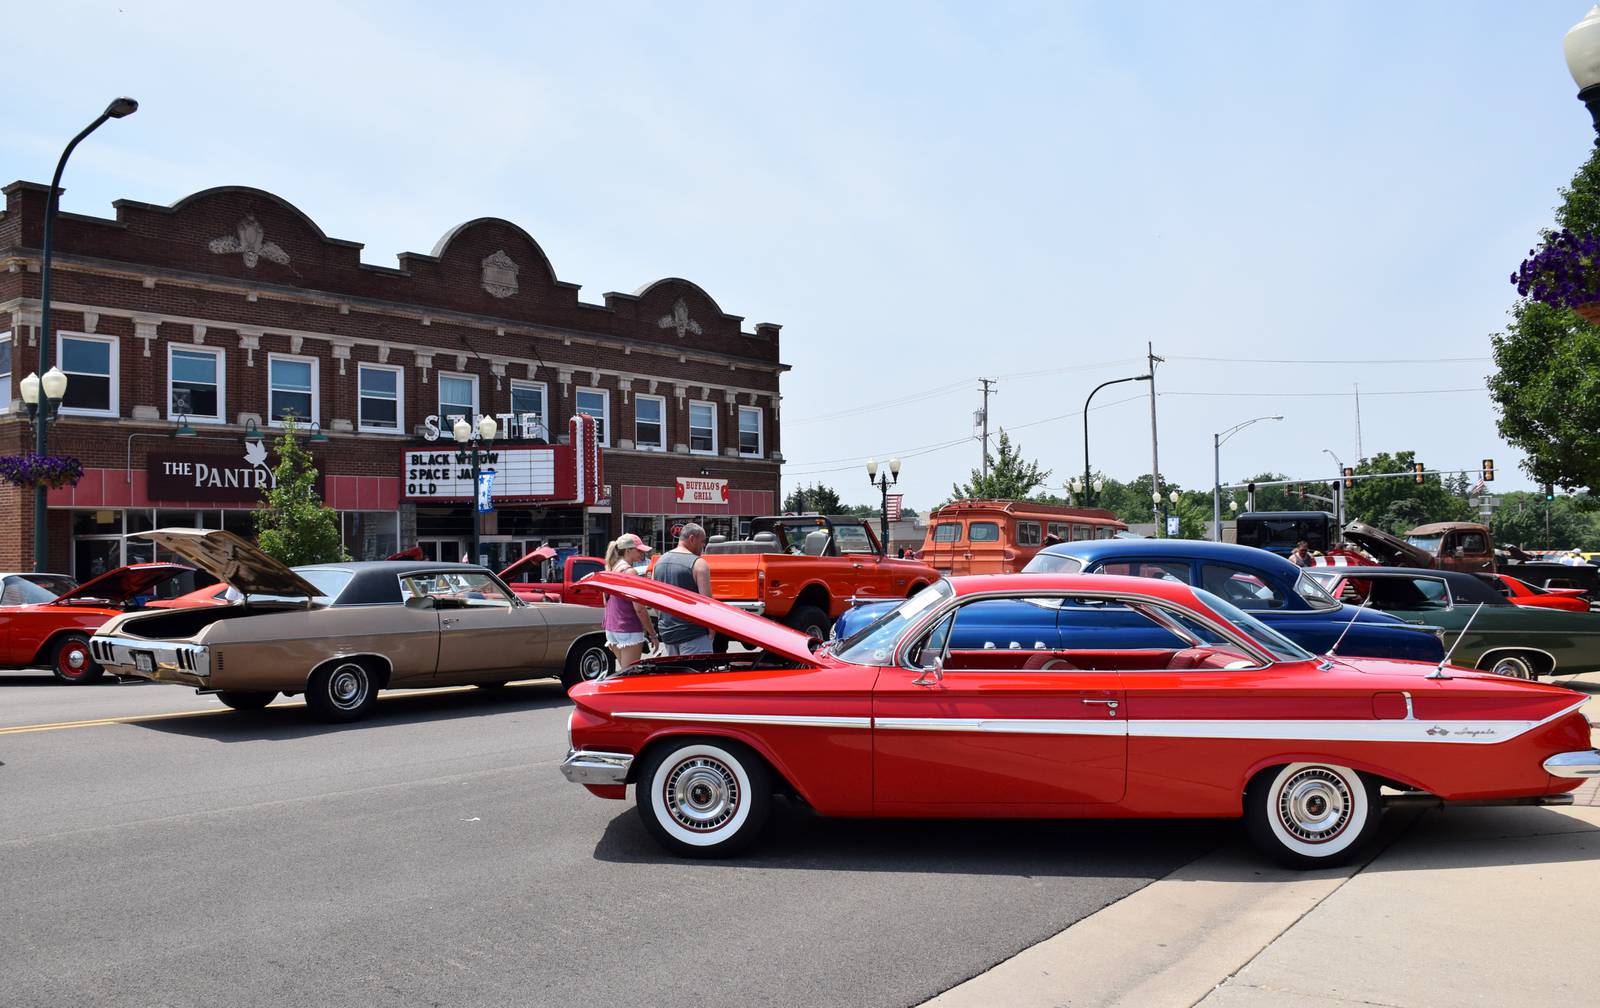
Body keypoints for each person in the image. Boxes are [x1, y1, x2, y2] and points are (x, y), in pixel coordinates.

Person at [651, 522, 714, 655]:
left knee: (675, 675)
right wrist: (711, 633)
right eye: (702, 542)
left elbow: (654, 600)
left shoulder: (659, 562)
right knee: (696, 675)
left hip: (668, 634)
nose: (703, 546)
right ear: (692, 539)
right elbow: (707, 604)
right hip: (693, 634)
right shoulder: (699, 564)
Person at [601, 533, 657, 668]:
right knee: (630, 675)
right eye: (638, 550)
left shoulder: (611, 569)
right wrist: (653, 634)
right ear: (628, 550)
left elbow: (605, 602)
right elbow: (639, 609)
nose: (642, 553)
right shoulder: (630, 572)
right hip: (628, 628)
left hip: (612, 628)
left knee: (624, 672)